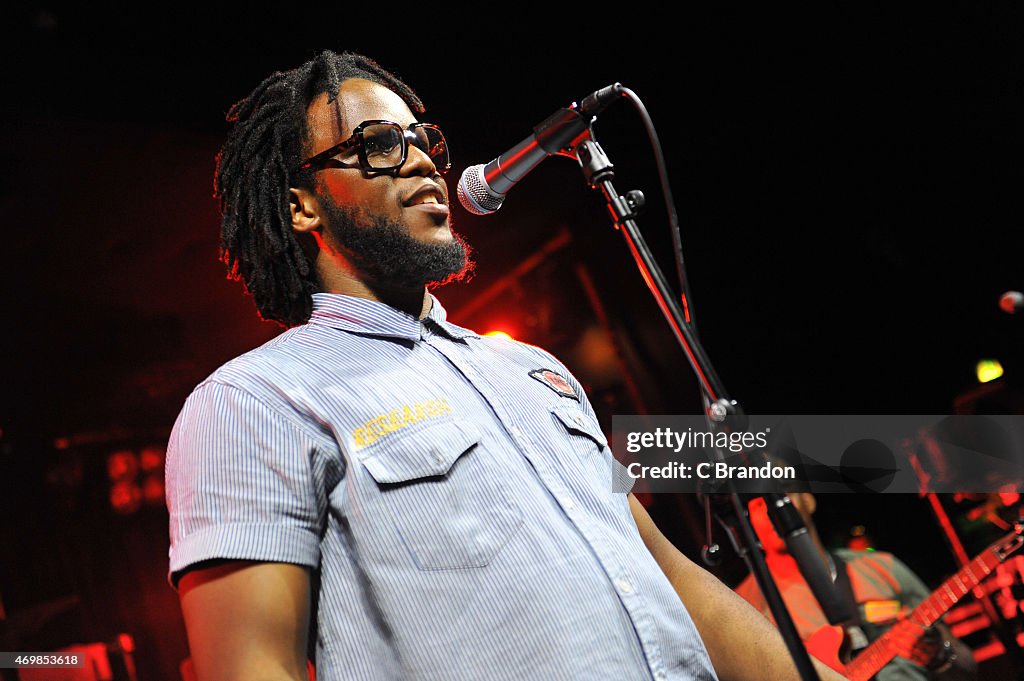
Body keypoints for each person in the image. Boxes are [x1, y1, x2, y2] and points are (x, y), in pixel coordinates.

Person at [165, 49, 848, 681]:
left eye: (423, 140)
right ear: (302, 204)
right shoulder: (254, 402)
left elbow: (666, 575)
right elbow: (250, 665)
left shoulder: (531, 370)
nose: (422, 161)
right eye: (377, 145)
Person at [734, 493, 978, 681]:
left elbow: (967, 667)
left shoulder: (882, 567)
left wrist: (938, 657)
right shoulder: (742, 607)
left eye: (781, 497)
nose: (773, 512)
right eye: (758, 504)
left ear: (807, 500)